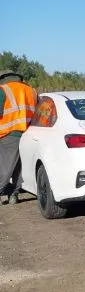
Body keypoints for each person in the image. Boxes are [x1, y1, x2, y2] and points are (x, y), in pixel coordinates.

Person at [0, 71, 38, 204]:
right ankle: (13, 195)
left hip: (8, 133)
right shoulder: (32, 91)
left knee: (5, 166)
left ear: (4, 79)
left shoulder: (3, 89)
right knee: (19, 166)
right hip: (28, 133)